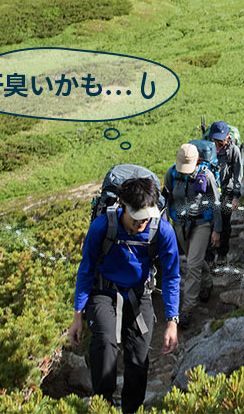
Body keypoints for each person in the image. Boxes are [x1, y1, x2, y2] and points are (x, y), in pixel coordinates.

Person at [68, 177, 180, 413]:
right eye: (138, 217)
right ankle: (103, 405)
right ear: (122, 206)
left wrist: (172, 320)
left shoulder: (162, 230)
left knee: (139, 356)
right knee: (105, 343)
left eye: (147, 216)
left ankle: (132, 409)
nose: (143, 222)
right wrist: (78, 314)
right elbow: (86, 269)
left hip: (139, 294)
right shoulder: (102, 226)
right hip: (102, 291)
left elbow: (171, 276)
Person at [163, 143, 221, 328]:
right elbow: (167, 200)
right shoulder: (171, 174)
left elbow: (216, 203)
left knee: (192, 265)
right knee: (193, 259)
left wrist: (216, 230)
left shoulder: (207, 175)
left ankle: (187, 310)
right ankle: (207, 282)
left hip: (202, 224)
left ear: (197, 160)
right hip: (180, 225)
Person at [206, 120, 244, 266]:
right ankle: (209, 257)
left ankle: (222, 254)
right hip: (209, 192)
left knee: (225, 225)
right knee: (209, 224)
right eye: (216, 139)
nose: (218, 142)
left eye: (221, 138)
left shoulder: (233, 150)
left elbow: (237, 174)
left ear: (228, 135)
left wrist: (236, 196)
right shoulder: (207, 150)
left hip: (226, 193)